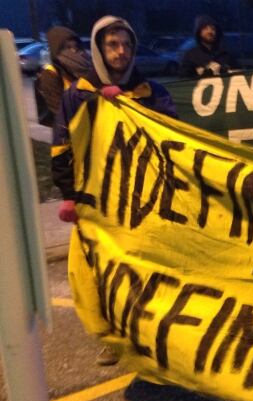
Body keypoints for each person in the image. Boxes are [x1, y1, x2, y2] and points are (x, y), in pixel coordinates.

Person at [51, 16, 177, 364]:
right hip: (96, 202)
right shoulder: (77, 95)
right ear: (98, 49)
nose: (120, 52)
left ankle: (147, 335)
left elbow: (176, 143)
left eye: (126, 45)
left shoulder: (154, 93)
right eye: (112, 45)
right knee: (99, 273)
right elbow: (63, 147)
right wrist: (68, 194)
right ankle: (110, 338)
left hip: (142, 200)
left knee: (143, 272)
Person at [34, 26, 91, 127]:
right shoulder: (50, 74)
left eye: (76, 47)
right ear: (56, 49)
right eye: (68, 47)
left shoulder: (84, 68)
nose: (73, 51)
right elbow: (58, 109)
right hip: (67, 130)